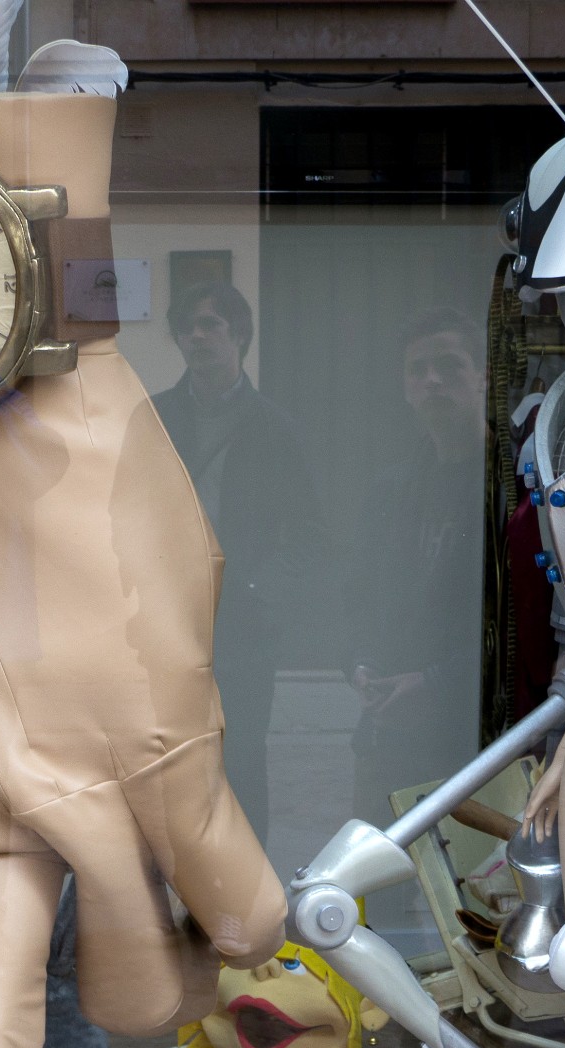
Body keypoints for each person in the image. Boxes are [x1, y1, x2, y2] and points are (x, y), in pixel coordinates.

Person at [150, 281, 312, 843]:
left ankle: (247, 882)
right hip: (165, 621)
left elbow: (307, 532)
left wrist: (258, 592)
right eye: (187, 327)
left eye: (211, 324)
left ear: (239, 335)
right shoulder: (154, 417)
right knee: (164, 760)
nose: (197, 336)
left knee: (240, 759)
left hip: (243, 624)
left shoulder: (276, 428)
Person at [344, 307, 487, 824]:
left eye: (449, 366)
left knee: (473, 873)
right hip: (389, 736)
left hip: (476, 741)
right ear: (405, 388)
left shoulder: (512, 487)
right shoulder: (391, 490)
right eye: (418, 370)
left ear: (482, 377)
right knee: (376, 869)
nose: (433, 380)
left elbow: (525, 624)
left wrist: (435, 682)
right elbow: (357, 599)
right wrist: (359, 664)